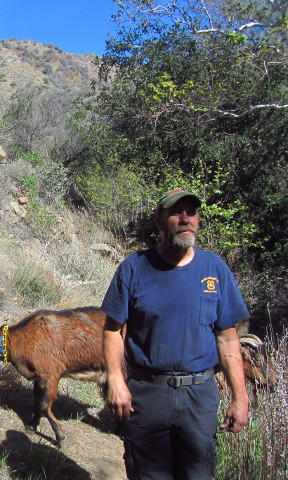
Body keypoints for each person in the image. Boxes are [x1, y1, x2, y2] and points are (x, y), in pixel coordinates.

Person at [101, 188, 250, 480]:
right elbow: (112, 331)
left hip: (199, 395)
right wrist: (116, 381)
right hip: (147, 394)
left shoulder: (214, 269)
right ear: (159, 222)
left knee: (197, 474)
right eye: (176, 213)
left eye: (191, 213)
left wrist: (240, 397)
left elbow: (227, 338)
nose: (185, 219)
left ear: (198, 221)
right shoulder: (135, 267)